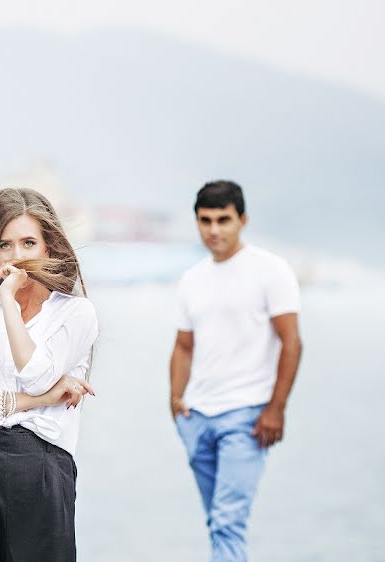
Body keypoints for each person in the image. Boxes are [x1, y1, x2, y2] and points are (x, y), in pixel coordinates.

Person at [0, 187, 99, 562]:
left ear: (49, 248)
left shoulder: (75, 314)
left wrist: (9, 302)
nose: (17, 256)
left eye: (29, 242)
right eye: (5, 245)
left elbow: (36, 374)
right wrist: (37, 402)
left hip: (40, 467)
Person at [170, 181, 303, 561]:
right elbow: (183, 345)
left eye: (223, 220)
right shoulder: (192, 278)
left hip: (246, 418)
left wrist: (276, 408)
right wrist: (176, 402)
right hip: (197, 417)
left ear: (242, 220)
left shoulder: (270, 270)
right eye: (205, 220)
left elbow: (291, 342)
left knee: (228, 521)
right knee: (217, 521)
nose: (214, 229)